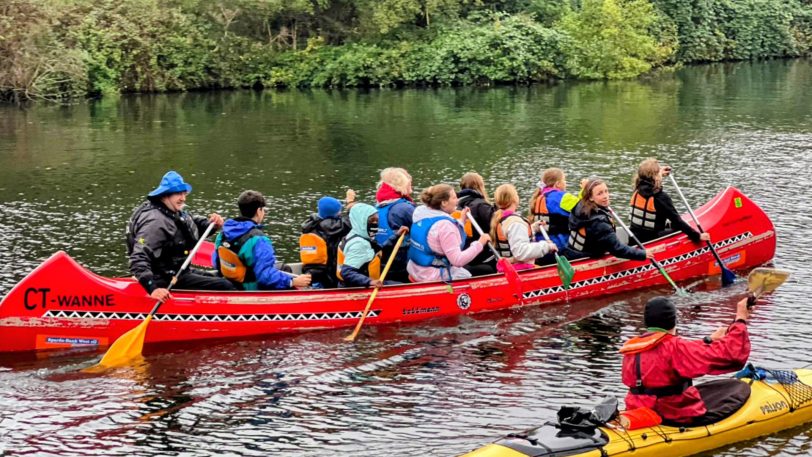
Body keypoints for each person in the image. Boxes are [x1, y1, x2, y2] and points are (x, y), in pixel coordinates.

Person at [619, 295, 752, 426]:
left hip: (638, 409)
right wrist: (740, 319)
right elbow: (730, 355)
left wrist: (709, 340)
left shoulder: (631, 348)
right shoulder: (676, 348)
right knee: (739, 389)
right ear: (673, 321)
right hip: (673, 415)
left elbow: (671, 353)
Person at [127, 170, 236, 301]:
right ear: (165, 195)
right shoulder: (155, 221)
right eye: (178, 193)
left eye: (184, 193)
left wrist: (213, 223)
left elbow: (193, 225)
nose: (183, 198)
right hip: (163, 279)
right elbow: (138, 258)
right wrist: (153, 288)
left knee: (222, 276)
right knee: (226, 285)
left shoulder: (172, 211)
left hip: (178, 272)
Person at [212, 190, 311, 290]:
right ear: (259, 211)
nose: (264, 213)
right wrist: (293, 281)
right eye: (263, 209)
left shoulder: (223, 234)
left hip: (231, 284)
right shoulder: (258, 239)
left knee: (283, 268)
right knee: (287, 276)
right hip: (250, 289)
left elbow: (216, 263)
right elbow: (264, 276)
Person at [407, 184, 491, 282]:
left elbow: (438, 233)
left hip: (416, 269)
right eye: (454, 198)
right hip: (432, 275)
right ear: (444, 202)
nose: (457, 201)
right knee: (487, 270)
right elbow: (457, 260)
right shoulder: (445, 225)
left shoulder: (420, 213)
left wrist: (462, 220)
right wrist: (480, 243)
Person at [567, 177, 655, 261]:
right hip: (587, 258)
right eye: (599, 193)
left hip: (574, 253)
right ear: (590, 197)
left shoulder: (581, 206)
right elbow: (617, 249)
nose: (605, 196)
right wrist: (642, 254)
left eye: (606, 191)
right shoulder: (599, 222)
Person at [630, 159, 711, 244]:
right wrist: (697, 236)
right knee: (677, 227)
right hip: (651, 241)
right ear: (655, 177)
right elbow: (677, 221)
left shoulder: (637, 190)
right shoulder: (660, 197)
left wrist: (659, 172)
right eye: (658, 172)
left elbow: (648, 177)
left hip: (634, 239)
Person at [338, 203, 409, 288]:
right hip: (358, 287)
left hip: (363, 281)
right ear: (362, 220)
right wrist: (369, 282)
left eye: (376, 221)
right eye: (371, 221)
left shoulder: (355, 234)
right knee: (401, 287)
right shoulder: (359, 244)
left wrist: (396, 235)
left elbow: (378, 250)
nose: (375, 224)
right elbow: (346, 272)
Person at [490, 184, 557, 271]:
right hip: (519, 270)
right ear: (514, 199)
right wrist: (547, 246)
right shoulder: (515, 222)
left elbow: (512, 237)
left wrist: (533, 228)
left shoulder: (500, 218)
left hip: (507, 269)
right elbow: (521, 252)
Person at [299, 191, 355, 288]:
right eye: (339, 211)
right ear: (333, 213)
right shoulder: (331, 226)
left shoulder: (311, 224)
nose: (340, 213)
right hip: (328, 275)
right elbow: (350, 222)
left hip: (313, 273)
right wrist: (350, 203)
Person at [375, 167, 416, 283]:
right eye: (409, 182)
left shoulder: (379, 205)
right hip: (400, 263)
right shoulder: (405, 208)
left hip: (381, 259)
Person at [528, 168, 582, 251]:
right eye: (564, 181)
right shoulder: (562, 197)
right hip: (560, 246)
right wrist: (585, 190)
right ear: (558, 184)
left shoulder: (539, 197)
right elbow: (585, 207)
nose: (566, 184)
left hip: (541, 246)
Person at [457, 172, 497, 275]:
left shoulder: (456, 206)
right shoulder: (481, 205)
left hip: (465, 252)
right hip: (482, 255)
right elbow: (496, 226)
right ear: (480, 186)